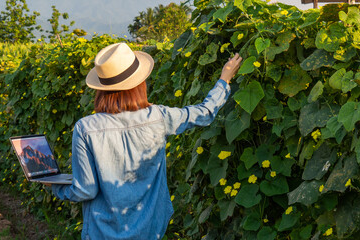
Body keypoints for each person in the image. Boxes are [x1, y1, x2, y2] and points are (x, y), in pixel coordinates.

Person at [47, 42, 242, 240]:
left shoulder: (85, 128)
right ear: (139, 83)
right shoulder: (159, 117)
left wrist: (57, 185)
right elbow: (204, 112)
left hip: (102, 233)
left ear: (100, 90)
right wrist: (224, 79)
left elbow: (85, 190)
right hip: (149, 231)